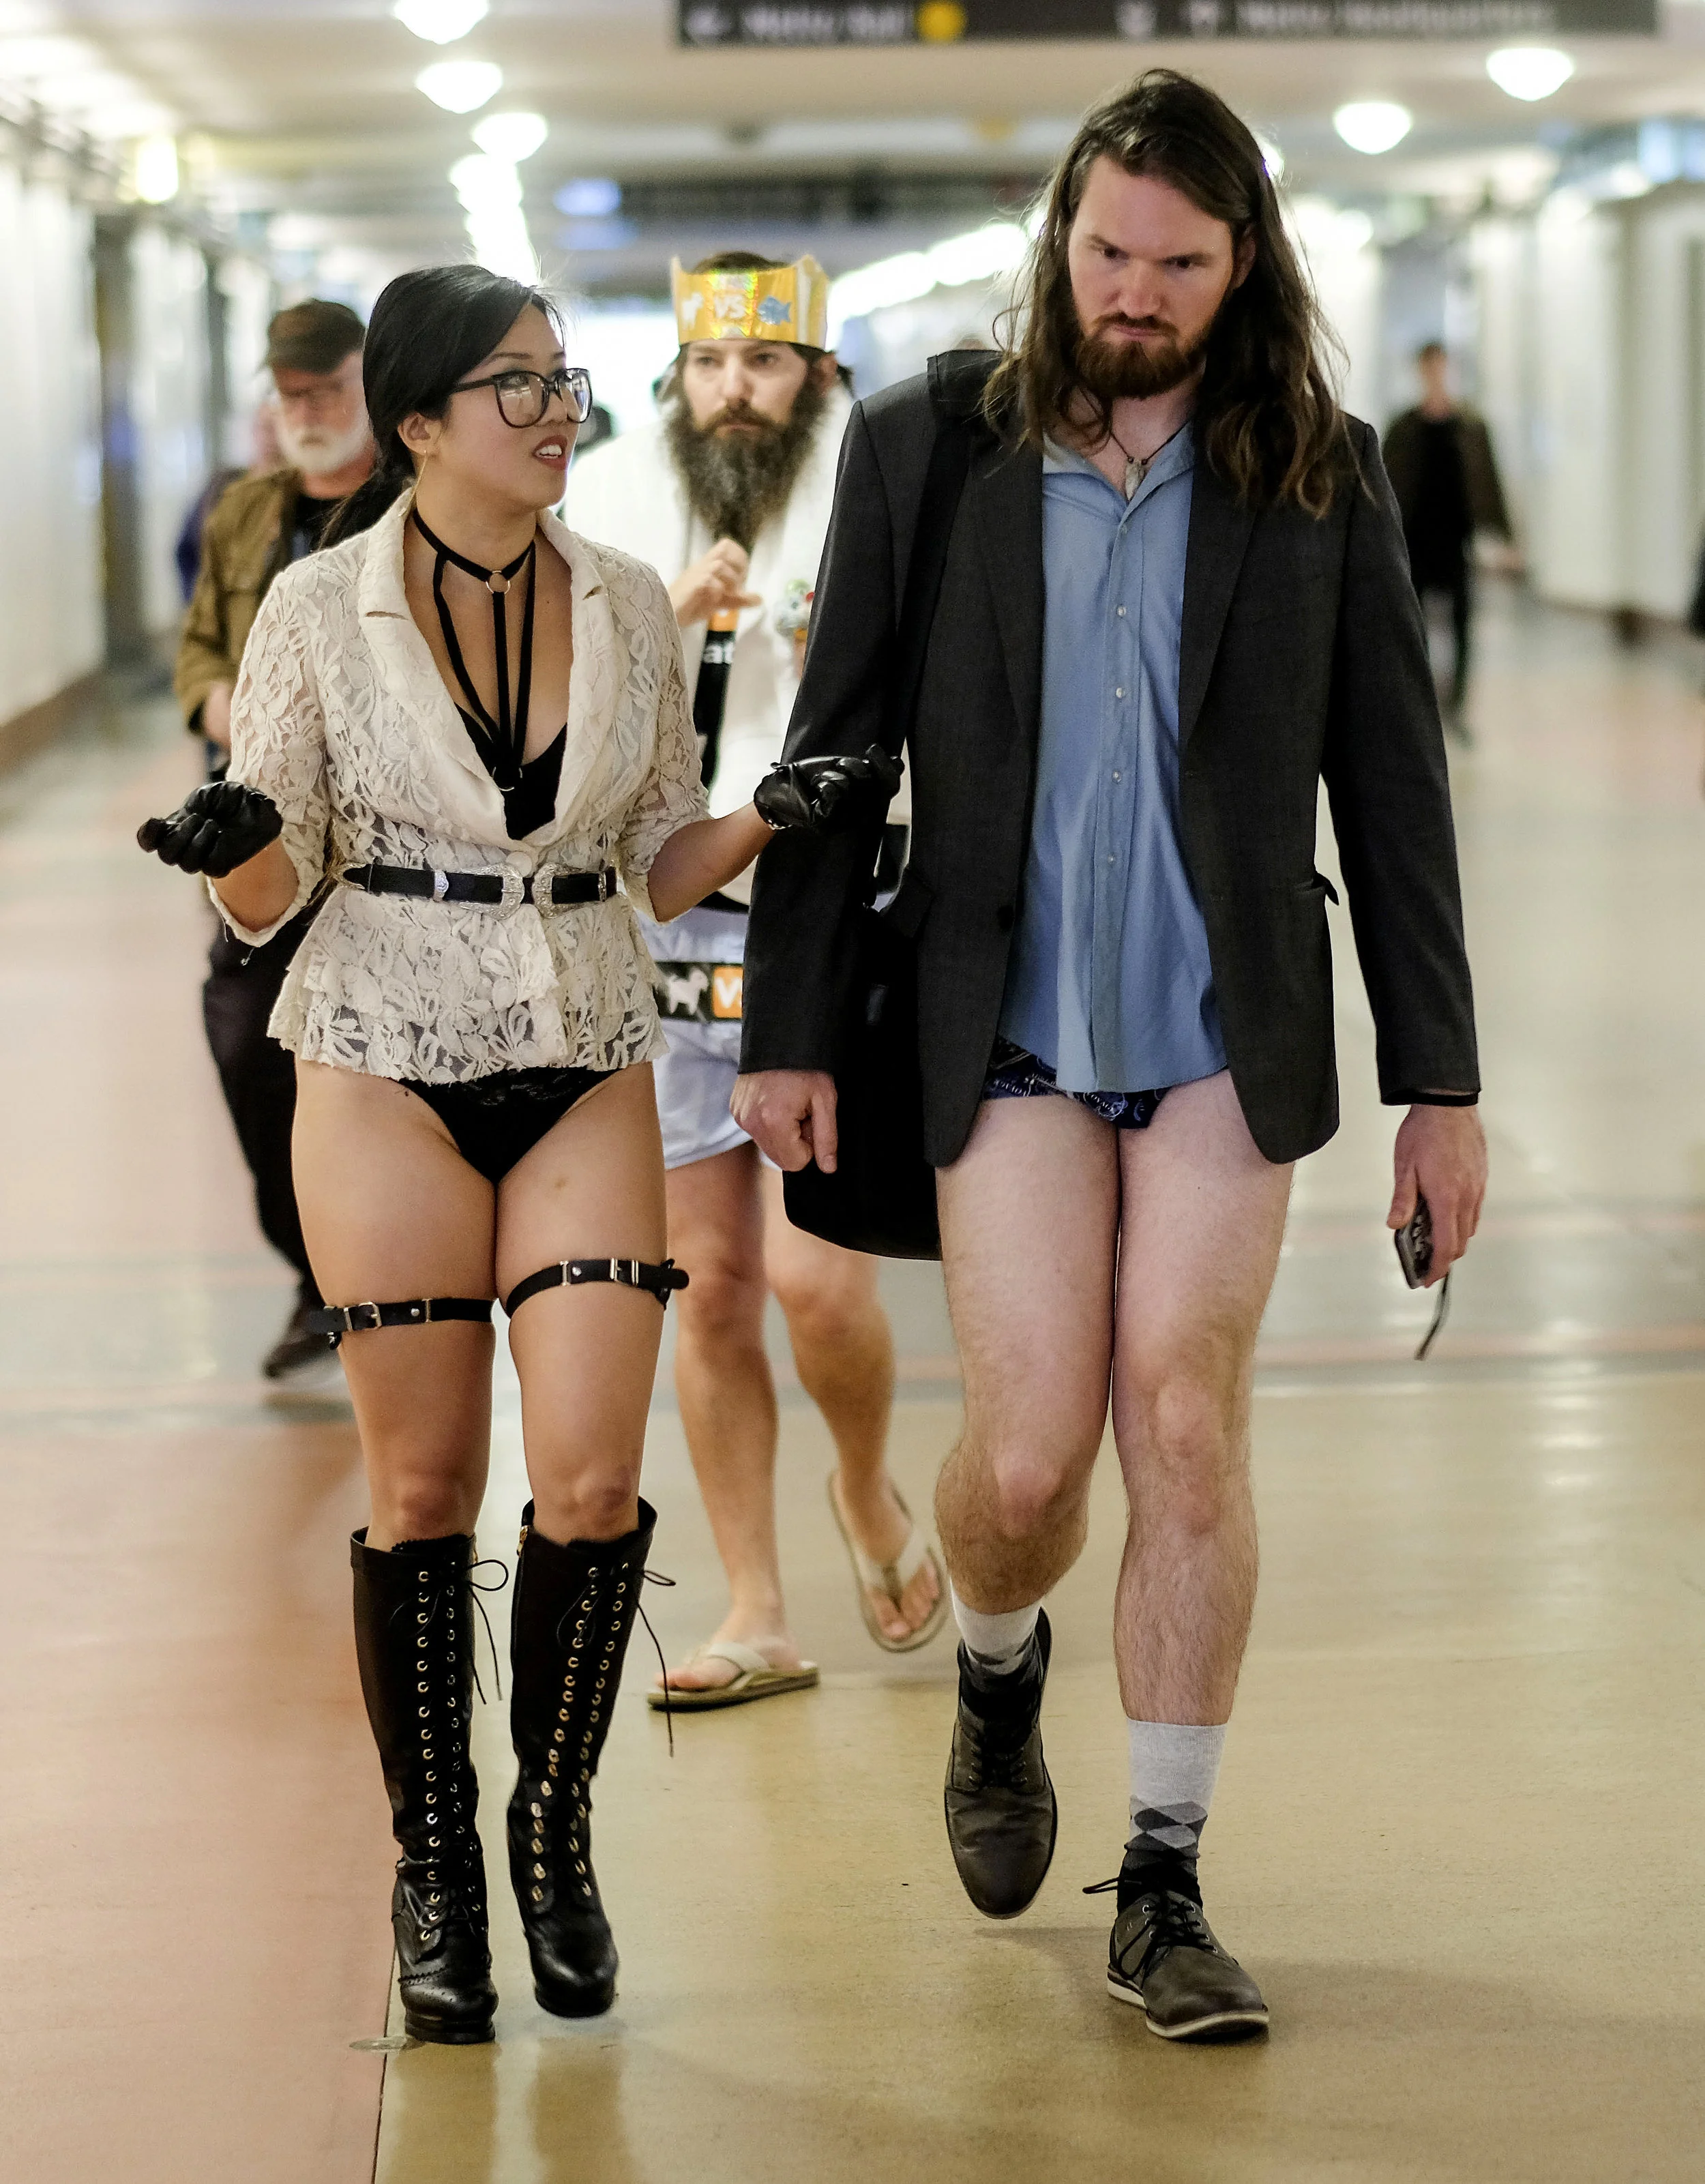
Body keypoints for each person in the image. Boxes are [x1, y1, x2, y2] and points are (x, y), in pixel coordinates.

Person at [734, 69, 1486, 2043]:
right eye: (1104, 253)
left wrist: (1443, 1085)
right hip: (1005, 1035)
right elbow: (837, 752)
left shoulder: (1312, 467)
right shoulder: (924, 451)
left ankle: (1161, 1872)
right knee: (1028, 1452)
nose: (1132, 293)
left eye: (1176, 263)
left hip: (1226, 1029)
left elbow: (1391, 791)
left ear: (1241, 270)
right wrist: (793, 1024)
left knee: (1178, 1412)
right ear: (1058, 234)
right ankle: (995, 1655)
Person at [135, 265, 826, 2043]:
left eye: (564, 379)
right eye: (518, 386)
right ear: (422, 423)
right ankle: (434, 1857)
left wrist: (775, 815)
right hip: (379, 1050)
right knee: (425, 1490)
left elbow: (659, 852)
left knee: (591, 1482)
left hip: (586, 1037)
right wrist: (230, 849)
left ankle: (550, 1829)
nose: (558, 410)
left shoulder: (625, 605)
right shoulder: (311, 609)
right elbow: (281, 887)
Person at [565, 250, 945, 1707]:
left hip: (816, 917)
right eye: (713, 366)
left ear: (815, 373)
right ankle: (755, 1605)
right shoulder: (609, 501)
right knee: (709, 1284)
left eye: (766, 364)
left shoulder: (870, 485)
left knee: (814, 1279)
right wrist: (661, 616)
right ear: (678, 375)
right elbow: (554, 691)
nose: (736, 391)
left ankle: (860, 1479)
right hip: (663, 922)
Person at [173, 300, 375, 1380]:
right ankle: (314, 1274)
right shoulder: (246, 510)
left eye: (325, 391)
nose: (304, 414)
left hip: (381, 839)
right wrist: (223, 705)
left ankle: (372, 1282)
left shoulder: (412, 508)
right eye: (288, 396)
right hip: (256, 833)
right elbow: (200, 646)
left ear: (370, 384)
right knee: (250, 1050)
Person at [1382, 341, 1513, 731]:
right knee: (1412, 623)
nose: (1436, 374)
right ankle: (1418, 701)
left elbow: (1489, 482)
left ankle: (1457, 705)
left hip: (1456, 541)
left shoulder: (1471, 426)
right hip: (1413, 540)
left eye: (1442, 367)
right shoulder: (1403, 427)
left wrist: (1506, 537)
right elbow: (1384, 485)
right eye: (1430, 368)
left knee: (1462, 624)